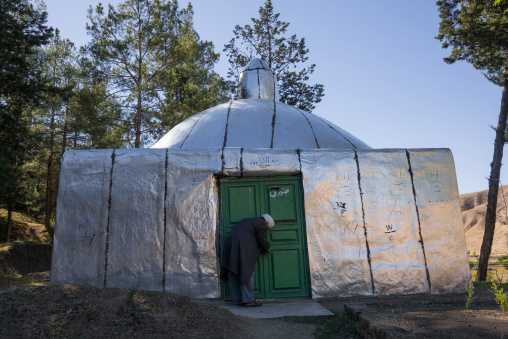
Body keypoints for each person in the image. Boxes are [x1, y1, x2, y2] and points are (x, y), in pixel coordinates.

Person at [220, 214, 275, 307]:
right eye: (267, 228)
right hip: (241, 246)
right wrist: (267, 249)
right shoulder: (261, 223)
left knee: (233, 270)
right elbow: (262, 238)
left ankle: (240, 299)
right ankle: (248, 300)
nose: (265, 229)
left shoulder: (249, 221)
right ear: (266, 222)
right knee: (246, 271)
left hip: (230, 242)